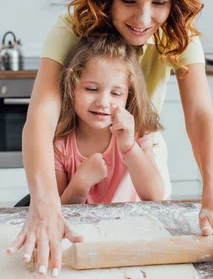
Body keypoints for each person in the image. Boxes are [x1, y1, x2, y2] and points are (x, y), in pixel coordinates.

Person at [7, 0, 213, 276]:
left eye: (159, 3)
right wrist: (46, 202)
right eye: (129, 1)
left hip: (138, 157)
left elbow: (200, 114)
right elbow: (42, 114)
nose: (144, 19)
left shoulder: (178, 34)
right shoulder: (72, 28)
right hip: (72, 160)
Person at [54, 35, 163, 207]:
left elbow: (155, 196)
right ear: (71, 86)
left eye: (116, 93)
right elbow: (59, 212)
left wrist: (129, 146)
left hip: (129, 228)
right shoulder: (61, 145)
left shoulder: (136, 133)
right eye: (91, 89)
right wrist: (80, 183)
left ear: (128, 96)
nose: (103, 102)